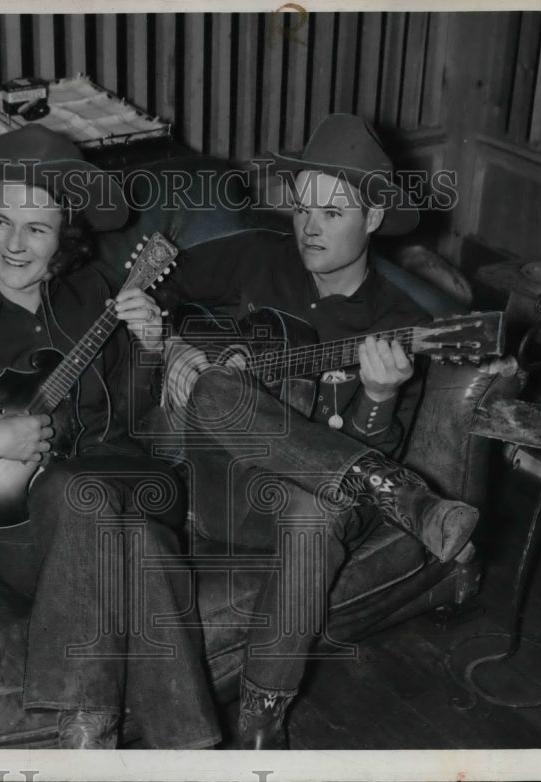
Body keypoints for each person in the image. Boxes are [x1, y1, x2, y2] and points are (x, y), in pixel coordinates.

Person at [0, 125, 220, 750]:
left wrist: (148, 349)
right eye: (2, 221)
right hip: (21, 531)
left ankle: (85, 731)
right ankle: (185, 751)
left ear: (65, 238)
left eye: (37, 228)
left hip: (130, 482)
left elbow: (134, 425)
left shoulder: (97, 298)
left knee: (77, 485)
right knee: (141, 550)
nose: (14, 243)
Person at [156, 114, 480, 749]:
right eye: (303, 206)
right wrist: (172, 348)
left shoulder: (400, 323)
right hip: (221, 490)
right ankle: (400, 493)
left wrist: (381, 397)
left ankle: (261, 723)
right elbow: (154, 287)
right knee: (218, 385)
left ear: (375, 219)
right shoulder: (254, 255)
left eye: (332, 213)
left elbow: (371, 439)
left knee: (317, 506)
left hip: (311, 506)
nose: (309, 225)